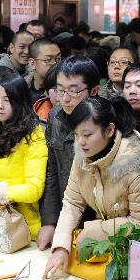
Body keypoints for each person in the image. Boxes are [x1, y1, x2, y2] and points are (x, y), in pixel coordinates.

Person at [42, 96, 140, 280]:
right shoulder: (82, 156)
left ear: (110, 130)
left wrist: (93, 231)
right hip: (98, 248)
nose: (80, 142)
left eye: (87, 135)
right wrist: (61, 247)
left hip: (130, 256)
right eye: (76, 135)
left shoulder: (135, 165)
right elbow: (72, 203)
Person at [0, 67, 48, 237]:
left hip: (25, 224)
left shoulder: (33, 134)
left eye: (7, 100)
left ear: (19, 101)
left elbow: (34, 189)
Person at [38, 56, 100, 250]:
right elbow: (52, 170)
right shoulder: (55, 117)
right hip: (65, 213)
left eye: (73, 91)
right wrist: (49, 221)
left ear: (94, 91)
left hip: (98, 220)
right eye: (60, 90)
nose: (64, 99)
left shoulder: (105, 123)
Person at [26, 38, 61, 105]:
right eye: (48, 60)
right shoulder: (21, 86)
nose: (55, 63)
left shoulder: (63, 92)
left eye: (58, 58)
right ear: (32, 63)